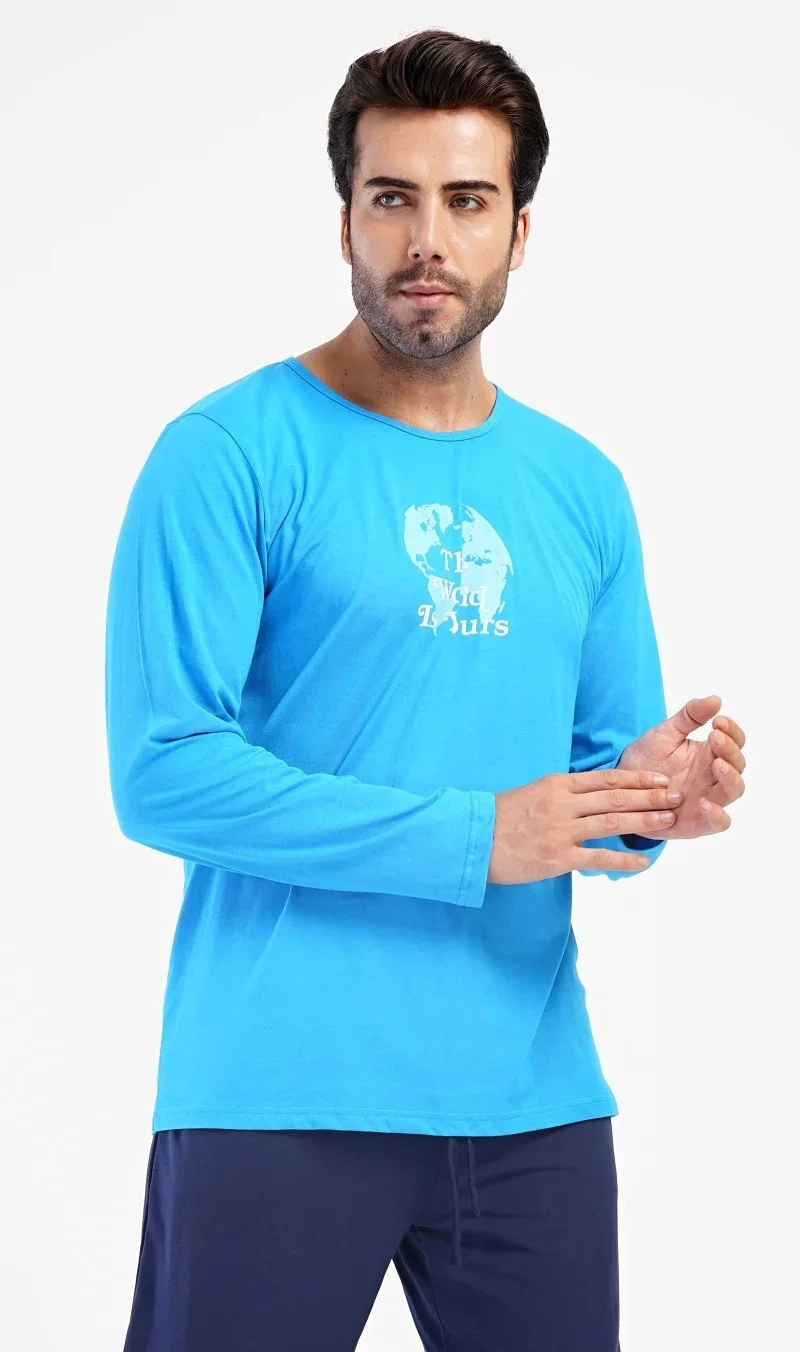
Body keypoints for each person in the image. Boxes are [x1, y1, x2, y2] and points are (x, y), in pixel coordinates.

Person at [105, 27, 746, 1352]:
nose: (426, 242)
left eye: (467, 201)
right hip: (279, 1093)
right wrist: (476, 835)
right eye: (392, 197)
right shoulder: (226, 454)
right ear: (344, 217)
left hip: (531, 1105)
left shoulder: (581, 487)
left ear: (521, 230)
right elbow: (164, 771)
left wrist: (649, 806)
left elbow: (590, 792)